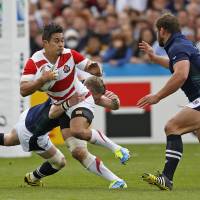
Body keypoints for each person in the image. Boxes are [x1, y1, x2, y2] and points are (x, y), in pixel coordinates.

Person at [20, 23, 130, 169]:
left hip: (78, 99)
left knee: (77, 131)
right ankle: (117, 180)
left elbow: (90, 66)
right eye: (56, 41)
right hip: (60, 107)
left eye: (62, 40)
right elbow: (23, 90)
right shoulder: (34, 61)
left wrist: (96, 70)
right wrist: (41, 80)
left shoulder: (70, 54)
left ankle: (118, 150)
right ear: (45, 42)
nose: (61, 44)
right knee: (77, 152)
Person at [0, 76, 128, 188]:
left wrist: (115, 101)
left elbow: (108, 104)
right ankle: (33, 178)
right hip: (32, 133)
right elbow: (52, 113)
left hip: (31, 114)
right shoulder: (74, 97)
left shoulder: (77, 87)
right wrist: (68, 103)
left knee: (8, 139)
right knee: (59, 162)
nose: (95, 102)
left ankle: (116, 180)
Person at [137, 13, 200, 191]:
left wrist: (157, 96)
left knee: (172, 127)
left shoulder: (177, 46)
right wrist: (155, 58)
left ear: (162, 30)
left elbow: (181, 74)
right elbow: (177, 65)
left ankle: (166, 178)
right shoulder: (181, 44)